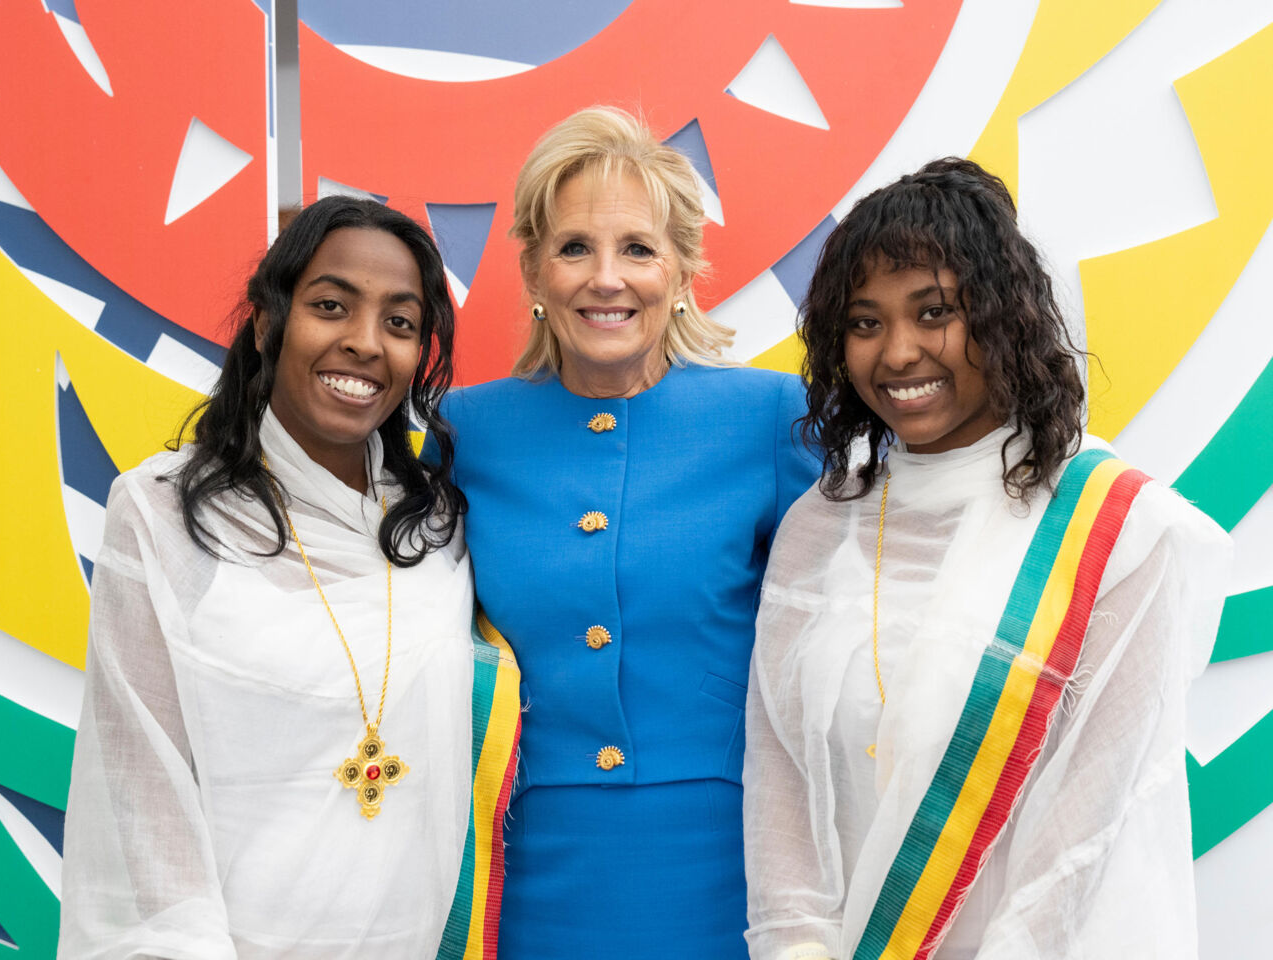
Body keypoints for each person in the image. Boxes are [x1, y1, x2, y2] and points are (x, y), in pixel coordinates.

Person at [743, 158, 1230, 960]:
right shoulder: (819, 526)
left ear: (1003, 318)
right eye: (865, 323)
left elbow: (1085, 839)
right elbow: (783, 788)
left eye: (934, 313)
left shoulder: (1122, 532)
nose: (898, 353)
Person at [59, 196, 518, 959]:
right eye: (332, 306)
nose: (366, 344)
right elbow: (142, 797)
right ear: (270, 322)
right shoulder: (162, 516)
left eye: (400, 323)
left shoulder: (437, 529)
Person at [431, 106, 820, 957]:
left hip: (732, 863)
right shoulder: (461, 432)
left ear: (683, 270)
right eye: (575, 248)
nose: (606, 277)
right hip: (521, 868)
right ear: (533, 270)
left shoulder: (772, 417)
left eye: (638, 249)